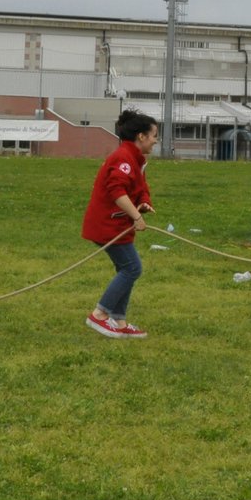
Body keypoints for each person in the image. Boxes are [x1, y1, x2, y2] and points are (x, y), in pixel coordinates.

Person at [81, 110, 158, 339]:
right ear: (141, 136)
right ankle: (99, 315)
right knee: (132, 268)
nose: (155, 140)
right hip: (108, 226)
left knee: (127, 268)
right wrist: (136, 216)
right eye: (154, 135)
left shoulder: (135, 159)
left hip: (119, 225)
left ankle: (119, 320)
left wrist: (144, 203)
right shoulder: (123, 158)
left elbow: (139, 188)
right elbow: (117, 192)